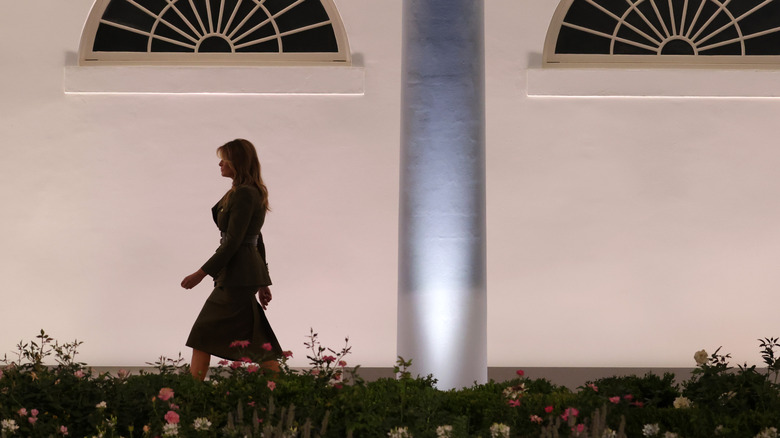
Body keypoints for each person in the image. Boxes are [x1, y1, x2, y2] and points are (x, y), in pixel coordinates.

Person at [181, 139, 282, 380]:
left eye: (224, 159)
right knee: (257, 336)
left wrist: (201, 273)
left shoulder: (246, 193)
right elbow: (255, 238)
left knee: (202, 333)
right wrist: (263, 281)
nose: (220, 163)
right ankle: (280, 388)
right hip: (242, 274)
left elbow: (236, 242)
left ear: (237, 162)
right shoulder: (241, 191)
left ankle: (191, 393)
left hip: (238, 275)